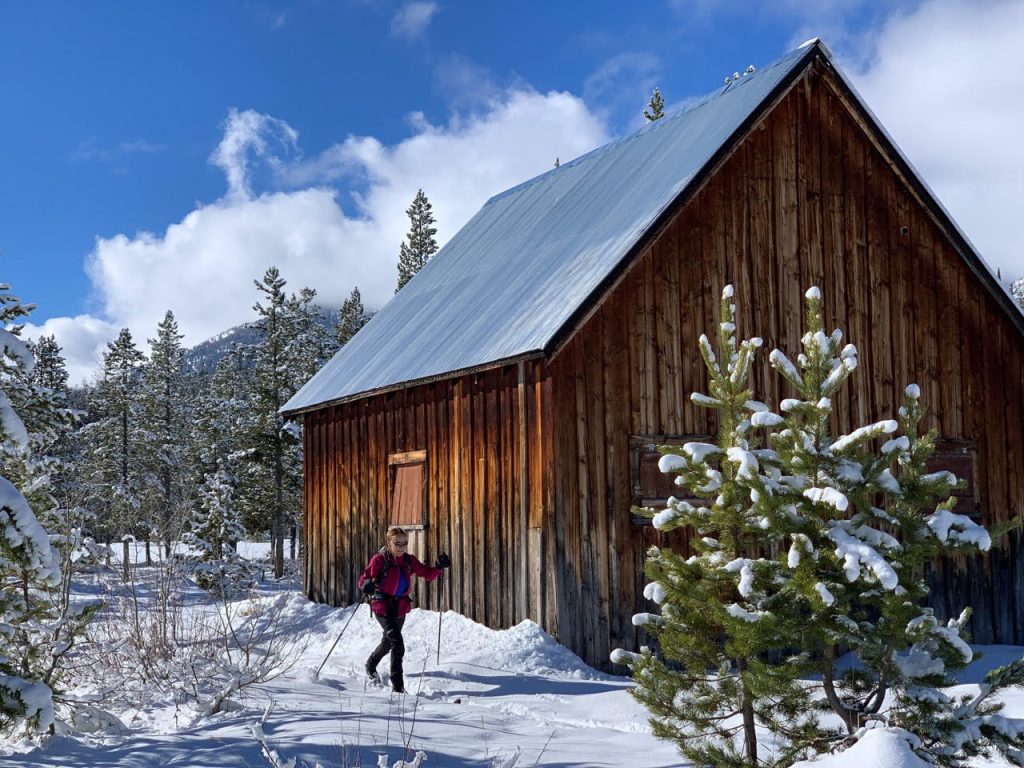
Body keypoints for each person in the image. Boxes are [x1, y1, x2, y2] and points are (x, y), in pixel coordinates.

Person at [357, 526, 451, 693]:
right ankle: (398, 687)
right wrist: (366, 585)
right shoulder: (379, 560)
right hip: (382, 606)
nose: (401, 547)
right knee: (397, 644)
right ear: (389, 542)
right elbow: (363, 579)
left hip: (400, 607)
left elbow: (427, 573)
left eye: (404, 543)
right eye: (397, 543)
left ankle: (371, 664)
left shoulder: (408, 560)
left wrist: (438, 566)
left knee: (388, 642)